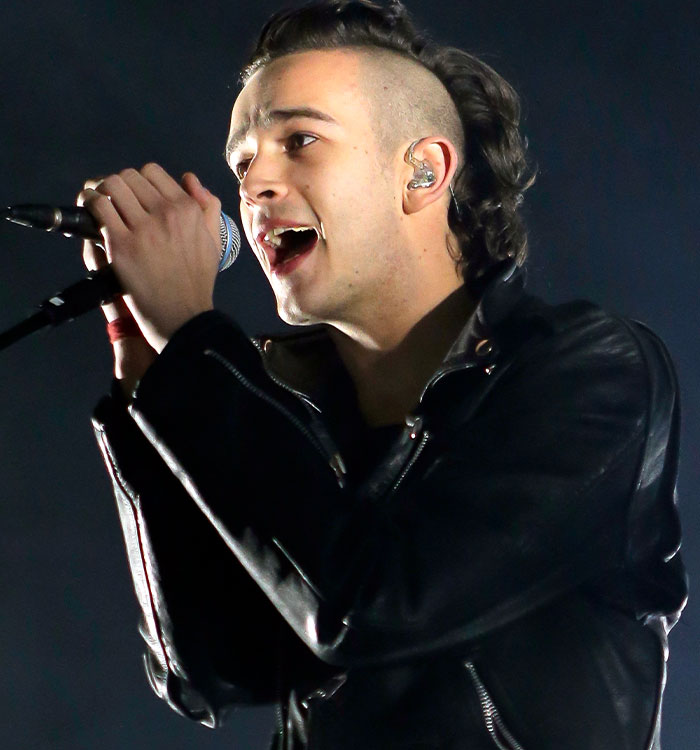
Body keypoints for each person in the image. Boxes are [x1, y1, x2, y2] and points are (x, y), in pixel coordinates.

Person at [81, 1, 687, 748]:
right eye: (242, 161)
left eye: (300, 140)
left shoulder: (589, 371)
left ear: (422, 172)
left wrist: (191, 346)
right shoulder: (283, 409)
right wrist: (147, 377)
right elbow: (208, 672)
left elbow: (377, 604)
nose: (255, 184)